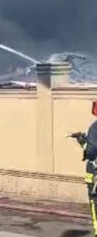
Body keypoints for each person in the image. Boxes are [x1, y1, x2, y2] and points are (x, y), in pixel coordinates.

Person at [70, 101, 97, 236]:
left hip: (95, 172)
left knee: (94, 201)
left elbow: (91, 152)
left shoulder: (95, 128)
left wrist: (83, 142)